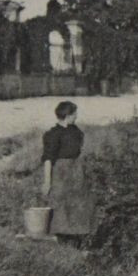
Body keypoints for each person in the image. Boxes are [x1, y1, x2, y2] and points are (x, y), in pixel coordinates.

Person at [41, 100, 93, 246]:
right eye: (74, 113)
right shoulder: (52, 134)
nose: (76, 116)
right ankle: (63, 243)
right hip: (61, 172)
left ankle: (77, 242)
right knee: (61, 206)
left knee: (78, 205)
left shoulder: (75, 131)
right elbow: (48, 159)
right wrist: (47, 181)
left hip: (76, 171)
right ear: (67, 115)